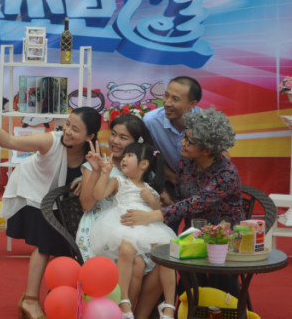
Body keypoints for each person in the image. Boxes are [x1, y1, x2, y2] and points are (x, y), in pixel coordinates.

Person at [0, 106, 101, 319]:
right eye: (68, 125)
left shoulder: (94, 154)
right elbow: (9, 142)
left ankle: (58, 295)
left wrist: (87, 177)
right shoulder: (51, 140)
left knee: (66, 247)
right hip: (33, 191)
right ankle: (30, 300)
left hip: (59, 201)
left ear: (90, 136)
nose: (68, 131)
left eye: (75, 129)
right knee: (45, 244)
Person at [121, 108, 245, 295]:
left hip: (223, 241)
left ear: (207, 150)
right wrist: (167, 202)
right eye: (184, 137)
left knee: (219, 291)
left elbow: (195, 203)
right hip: (193, 237)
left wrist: (152, 216)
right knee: (189, 287)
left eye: (189, 142)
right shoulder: (186, 164)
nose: (183, 143)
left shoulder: (226, 174)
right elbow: (182, 201)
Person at [76, 114, 162, 316]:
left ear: (136, 142)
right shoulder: (97, 164)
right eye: (113, 134)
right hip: (101, 226)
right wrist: (96, 172)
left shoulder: (142, 168)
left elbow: (155, 201)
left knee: (163, 260)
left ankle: (139, 315)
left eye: (123, 137)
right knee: (137, 262)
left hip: (135, 224)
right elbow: (87, 204)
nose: (115, 141)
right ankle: (123, 313)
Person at [90, 143, 177, 319]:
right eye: (124, 155)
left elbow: (158, 212)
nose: (124, 159)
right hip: (124, 225)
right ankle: (124, 300)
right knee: (127, 248)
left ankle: (169, 305)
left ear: (143, 164)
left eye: (129, 156)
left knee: (168, 252)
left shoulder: (149, 188)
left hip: (149, 228)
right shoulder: (119, 181)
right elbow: (98, 195)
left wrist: (151, 199)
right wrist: (105, 173)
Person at [143, 76, 202, 231]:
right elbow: (152, 156)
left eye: (175, 99)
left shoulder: (205, 122)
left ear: (192, 104)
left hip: (201, 185)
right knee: (163, 232)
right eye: (166, 95)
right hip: (169, 180)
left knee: (199, 232)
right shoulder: (151, 121)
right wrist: (173, 181)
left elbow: (221, 158)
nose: (167, 103)